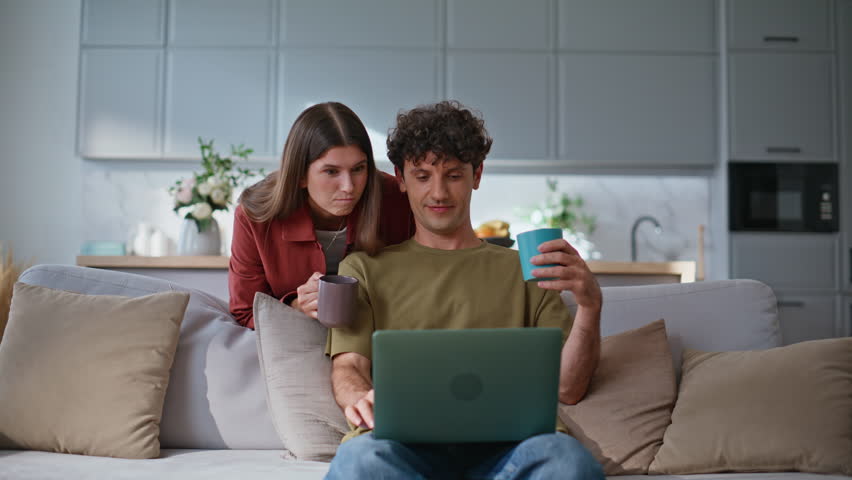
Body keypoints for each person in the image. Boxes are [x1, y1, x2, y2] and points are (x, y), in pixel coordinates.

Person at [324, 100, 605, 479]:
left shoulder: (525, 268)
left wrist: (590, 307)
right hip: (400, 449)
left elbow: (568, 389)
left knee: (568, 461)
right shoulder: (363, 268)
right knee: (359, 461)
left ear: (477, 174)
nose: (438, 193)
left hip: (513, 448)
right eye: (422, 176)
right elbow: (349, 365)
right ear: (401, 179)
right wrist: (359, 398)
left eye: (453, 175)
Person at [229, 102, 413, 329]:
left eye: (358, 169)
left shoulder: (397, 197)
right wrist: (297, 306)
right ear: (300, 176)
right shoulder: (255, 216)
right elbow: (245, 312)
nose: (348, 186)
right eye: (331, 171)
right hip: (296, 335)